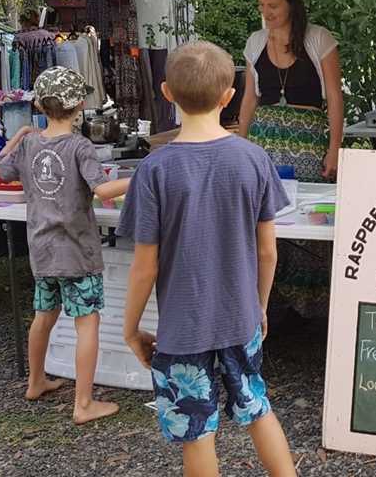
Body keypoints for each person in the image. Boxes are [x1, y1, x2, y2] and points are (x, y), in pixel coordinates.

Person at [119, 42, 297, 477]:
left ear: (166, 92)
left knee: (196, 431)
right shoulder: (254, 159)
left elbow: (145, 266)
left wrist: (129, 328)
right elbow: (267, 250)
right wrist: (259, 304)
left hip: (182, 328)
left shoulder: (154, 171)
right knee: (257, 407)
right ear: (229, 96)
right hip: (240, 317)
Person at [0, 66, 129, 425]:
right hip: (77, 253)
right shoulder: (79, 146)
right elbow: (102, 190)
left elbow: (0, 168)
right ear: (80, 104)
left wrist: (20, 133)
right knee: (88, 323)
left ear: (39, 104)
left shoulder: (29, 144)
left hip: (42, 251)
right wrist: (142, 176)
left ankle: (35, 381)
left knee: (44, 316)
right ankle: (83, 404)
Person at [238, 0, 344, 182]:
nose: (266, 13)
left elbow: (335, 98)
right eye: (261, 5)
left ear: (291, 5)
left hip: (308, 143)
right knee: (265, 209)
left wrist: (334, 150)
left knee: (309, 208)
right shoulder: (255, 42)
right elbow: (249, 99)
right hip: (263, 141)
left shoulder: (318, 38)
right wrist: (241, 145)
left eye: (273, 6)